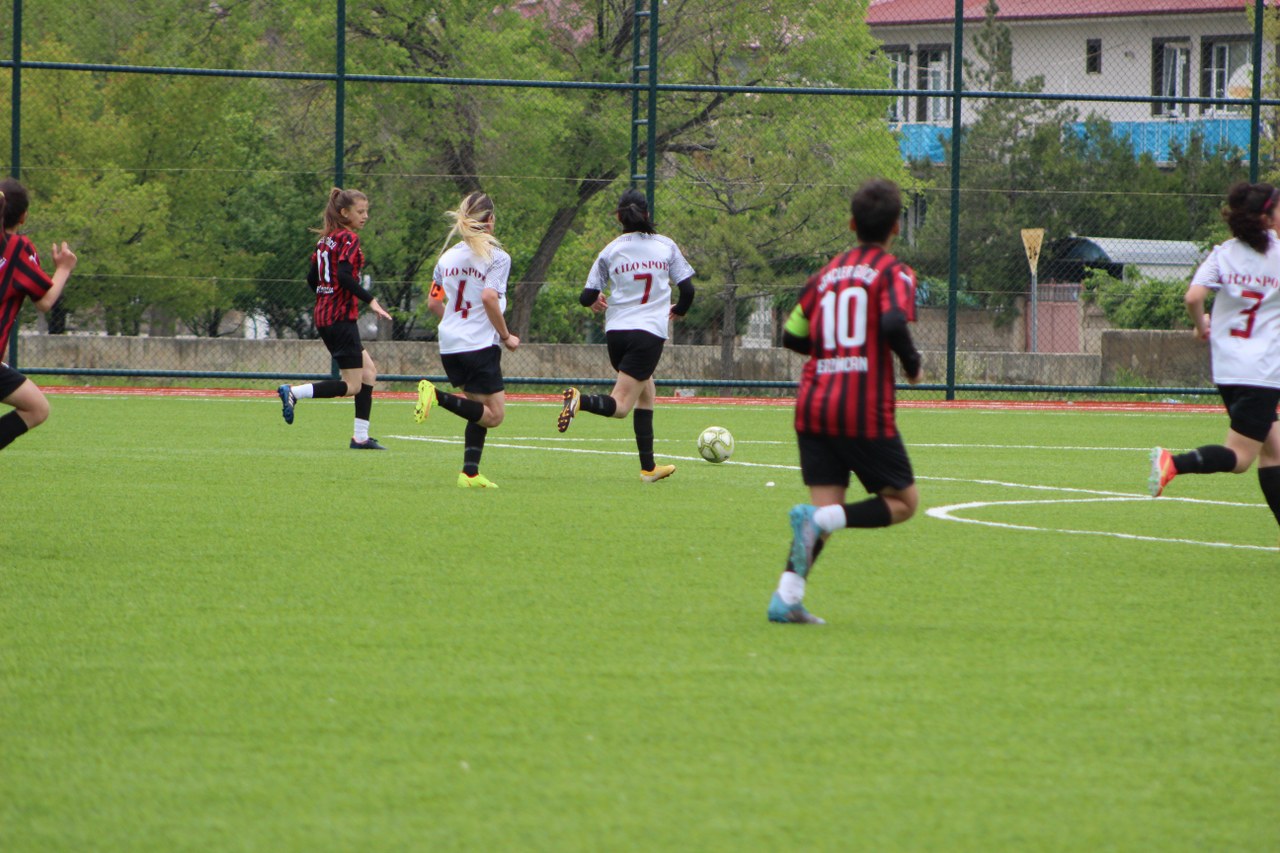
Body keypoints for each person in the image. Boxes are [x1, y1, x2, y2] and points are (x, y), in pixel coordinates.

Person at [769, 178, 924, 625]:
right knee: (904, 503)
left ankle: (787, 597)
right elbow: (892, 321)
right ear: (896, 227)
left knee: (824, 510)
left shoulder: (824, 275)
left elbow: (791, 334)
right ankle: (817, 528)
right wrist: (912, 365)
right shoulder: (894, 272)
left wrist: (829, 352)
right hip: (862, 410)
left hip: (813, 404)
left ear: (852, 224)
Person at [1149, 181, 1280, 532]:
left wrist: (1201, 326)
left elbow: (1193, 298)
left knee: (1275, 450)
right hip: (1262, 373)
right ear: (1266, 218)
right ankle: (1173, 463)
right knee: (1240, 458)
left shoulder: (1223, 253)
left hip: (1227, 370)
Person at [555, 188, 695, 483]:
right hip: (647, 334)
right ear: (647, 214)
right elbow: (688, 290)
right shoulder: (665, 245)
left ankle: (649, 468)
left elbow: (586, 296)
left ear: (619, 217)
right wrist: (680, 310)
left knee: (647, 391)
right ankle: (580, 401)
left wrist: (595, 300)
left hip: (616, 334)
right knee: (620, 406)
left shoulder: (611, 250)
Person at [412, 191, 519, 488]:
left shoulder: (446, 258)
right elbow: (489, 297)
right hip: (478, 344)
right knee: (495, 415)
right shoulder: (497, 257)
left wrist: (455, 323)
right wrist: (506, 335)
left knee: (479, 409)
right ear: (491, 220)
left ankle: (469, 473)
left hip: (450, 344)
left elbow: (434, 302)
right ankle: (436, 396)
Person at [277, 187, 392, 449]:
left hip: (326, 315)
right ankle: (294, 392)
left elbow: (312, 278)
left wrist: (326, 296)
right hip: (340, 318)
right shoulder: (348, 238)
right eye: (360, 211)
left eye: (366, 211)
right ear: (344, 213)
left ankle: (360, 437)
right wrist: (371, 300)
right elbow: (343, 275)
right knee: (352, 385)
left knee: (368, 372)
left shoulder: (325, 240)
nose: (365, 216)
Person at [0, 179, 78, 454]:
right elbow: (44, 301)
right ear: (23, 216)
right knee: (36, 409)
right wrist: (64, 268)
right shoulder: (17, 249)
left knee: (35, 405)